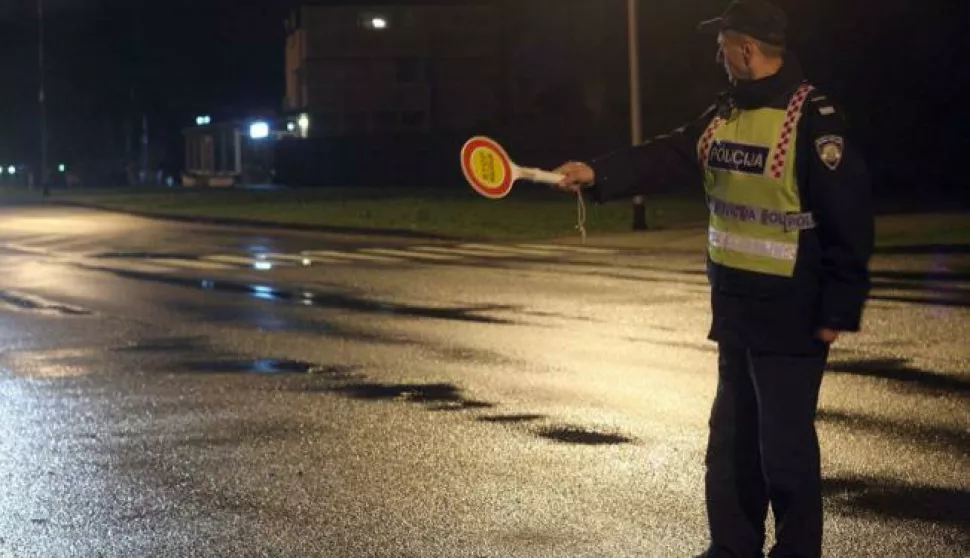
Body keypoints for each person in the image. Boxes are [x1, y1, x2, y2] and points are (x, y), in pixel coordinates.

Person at [553, 1, 873, 557]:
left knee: (785, 454)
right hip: (736, 312)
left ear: (746, 49)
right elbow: (672, 154)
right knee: (729, 449)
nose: (717, 54)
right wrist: (600, 173)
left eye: (722, 43)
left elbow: (849, 218)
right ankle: (732, 549)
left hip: (792, 317)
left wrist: (837, 310)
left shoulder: (813, 121)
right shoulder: (724, 114)